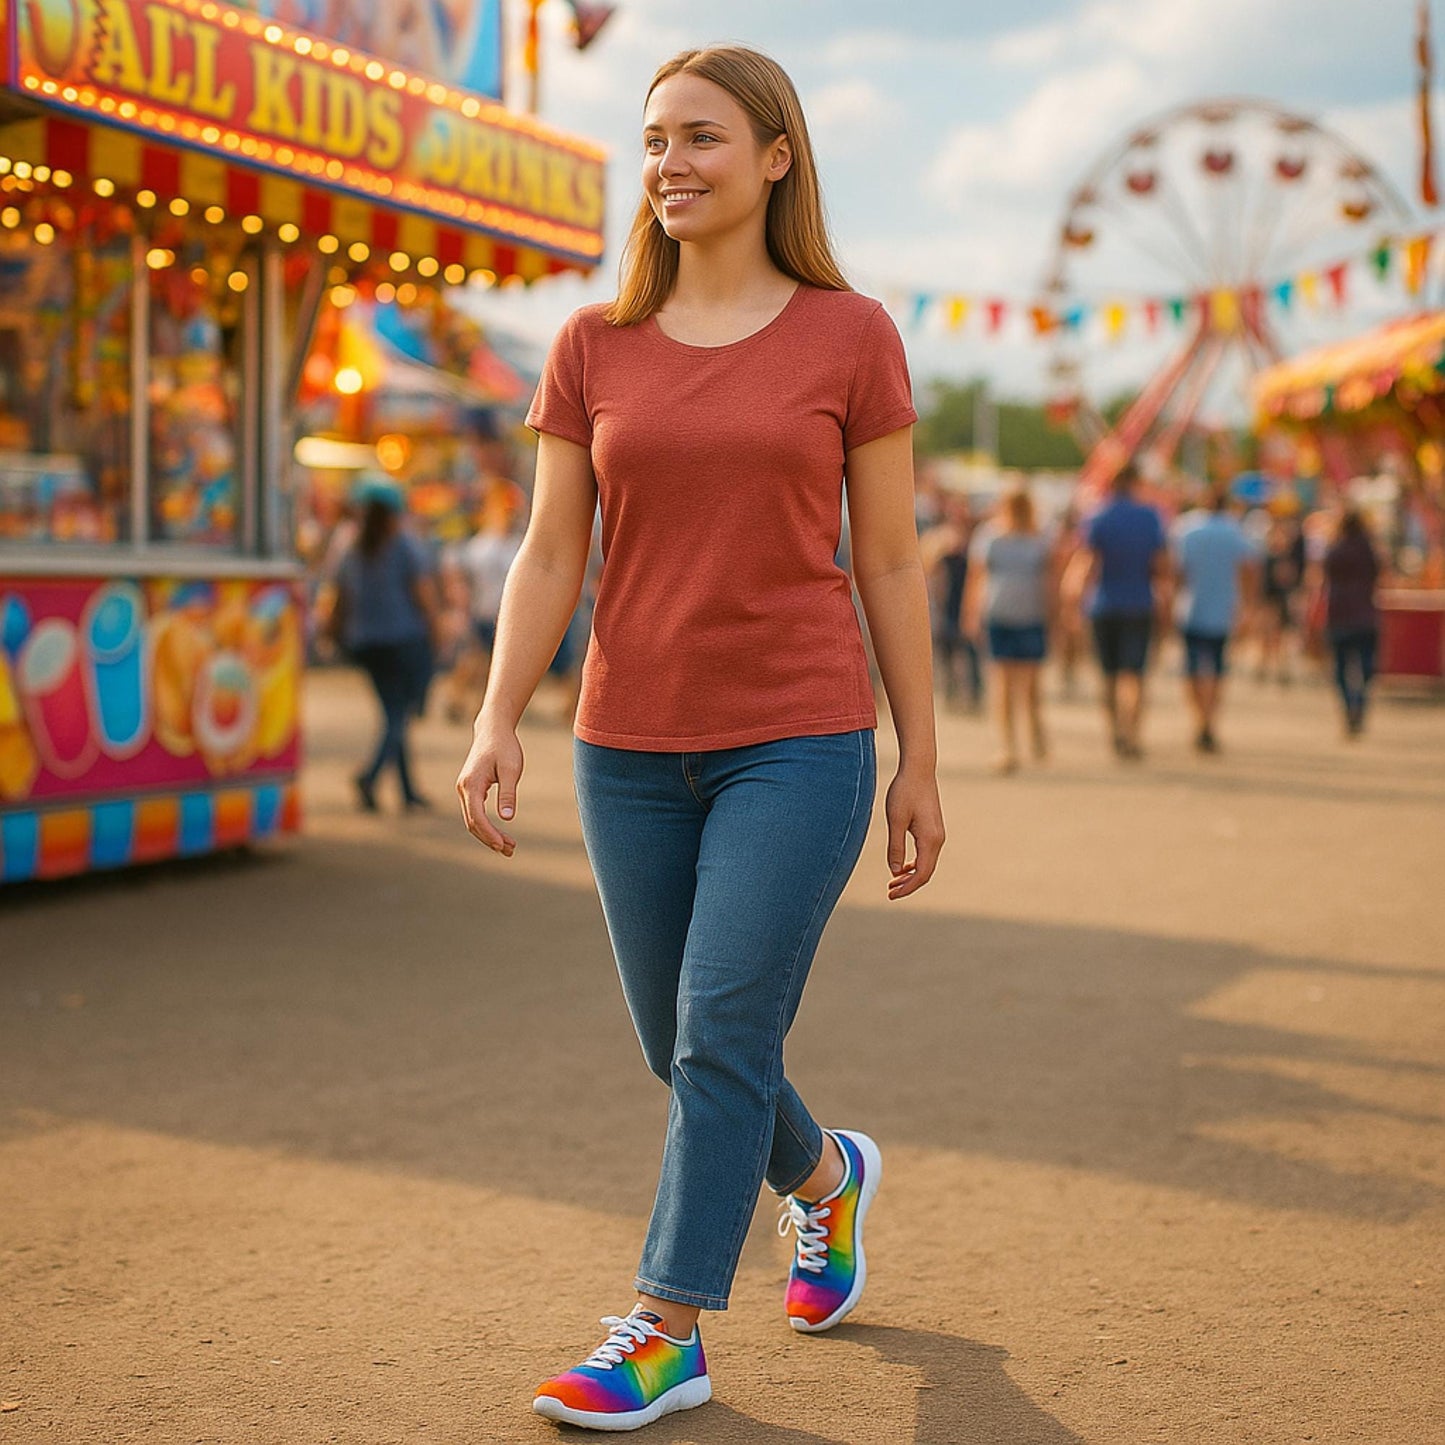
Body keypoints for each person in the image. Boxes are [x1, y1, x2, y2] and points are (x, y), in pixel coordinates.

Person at [454, 45, 944, 1432]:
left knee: (723, 1023)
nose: (670, 162)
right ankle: (828, 1179)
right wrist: (497, 717)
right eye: (655, 138)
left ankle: (663, 1329)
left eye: (703, 138)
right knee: (680, 1044)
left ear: (776, 155)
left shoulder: (852, 336)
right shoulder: (590, 343)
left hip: (795, 738)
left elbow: (893, 564)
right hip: (626, 746)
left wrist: (920, 756)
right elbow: (552, 554)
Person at [331, 477, 440, 811]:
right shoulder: (403, 544)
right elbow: (423, 595)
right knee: (399, 715)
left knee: (394, 713)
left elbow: (340, 598)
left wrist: (334, 634)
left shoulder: (350, 547)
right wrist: (436, 630)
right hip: (403, 641)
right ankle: (370, 775)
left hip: (365, 643)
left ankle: (408, 793)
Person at [1065, 463, 1168, 760]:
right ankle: (1132, 734)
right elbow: (1161, 566)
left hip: (1104, 604)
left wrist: (1072, 603)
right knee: (1134, 674)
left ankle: (1114, 732)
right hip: (1139, 603)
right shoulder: (1150, 517)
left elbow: (1086, 564)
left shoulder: (1098, 517)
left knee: (1108, 675)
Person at [965, 485, 1053, 772]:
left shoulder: (1040, 537)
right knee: (1004, 682)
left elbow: (1050, 578)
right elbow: (976, 577)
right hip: (1003, 613)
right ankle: (1009, 745)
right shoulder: (991, 536)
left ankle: (1032, 733)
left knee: (1027, 685)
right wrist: (971, 612)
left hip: (1025, 613)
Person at [1171, 487, 1260, 753]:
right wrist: (1248, 605)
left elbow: (1177, 572)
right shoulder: (1235, 531)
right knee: (1218, 670)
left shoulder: (1187, 530)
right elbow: (1250, 568)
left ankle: (1199, 718)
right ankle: (1210, 719)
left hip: (1191, 609)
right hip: (1223, 610)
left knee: (1192, 670)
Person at [1314, 505, 1382, 737]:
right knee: (1365, 668)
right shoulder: (1369, 550)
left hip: (1339, 615)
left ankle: (1349, 706)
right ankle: (1359, 703)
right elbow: (1379, 576)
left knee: (1341, 669)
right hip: (1365, 616)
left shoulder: (1335, 550)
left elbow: (1322, 581)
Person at [919, 489, 983, 711]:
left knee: (970, 648)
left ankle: (974, 694)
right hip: (946, 601)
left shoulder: (975, 537)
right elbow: (925, 566)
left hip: (964, 597)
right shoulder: (937, 538)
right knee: (947, 646)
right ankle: (952, 691)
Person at [1257, 509, 1307, 684]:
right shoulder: (1271, 555)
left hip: (1279, 595)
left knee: (1280, 633)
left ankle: (1276, 667)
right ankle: (1266, 666)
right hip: (1271, 595)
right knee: (1269, 632)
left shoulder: (1283, 556)